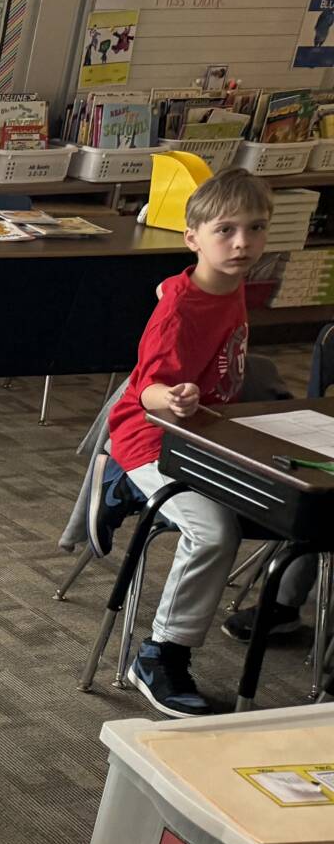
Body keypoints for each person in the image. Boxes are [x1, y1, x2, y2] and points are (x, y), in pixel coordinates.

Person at [107, 167, 267, 717]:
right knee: (214, 530)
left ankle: (282, 604)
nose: (243, 243)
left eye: (255, 229)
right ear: (192, 237)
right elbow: (143, 389)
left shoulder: (227, 280)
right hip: (152, 437)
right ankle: (159, 653)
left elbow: (179, 286)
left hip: (205, 434)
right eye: (226, 230)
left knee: (299, 501)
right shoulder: (179, 309)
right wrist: (169, 399)